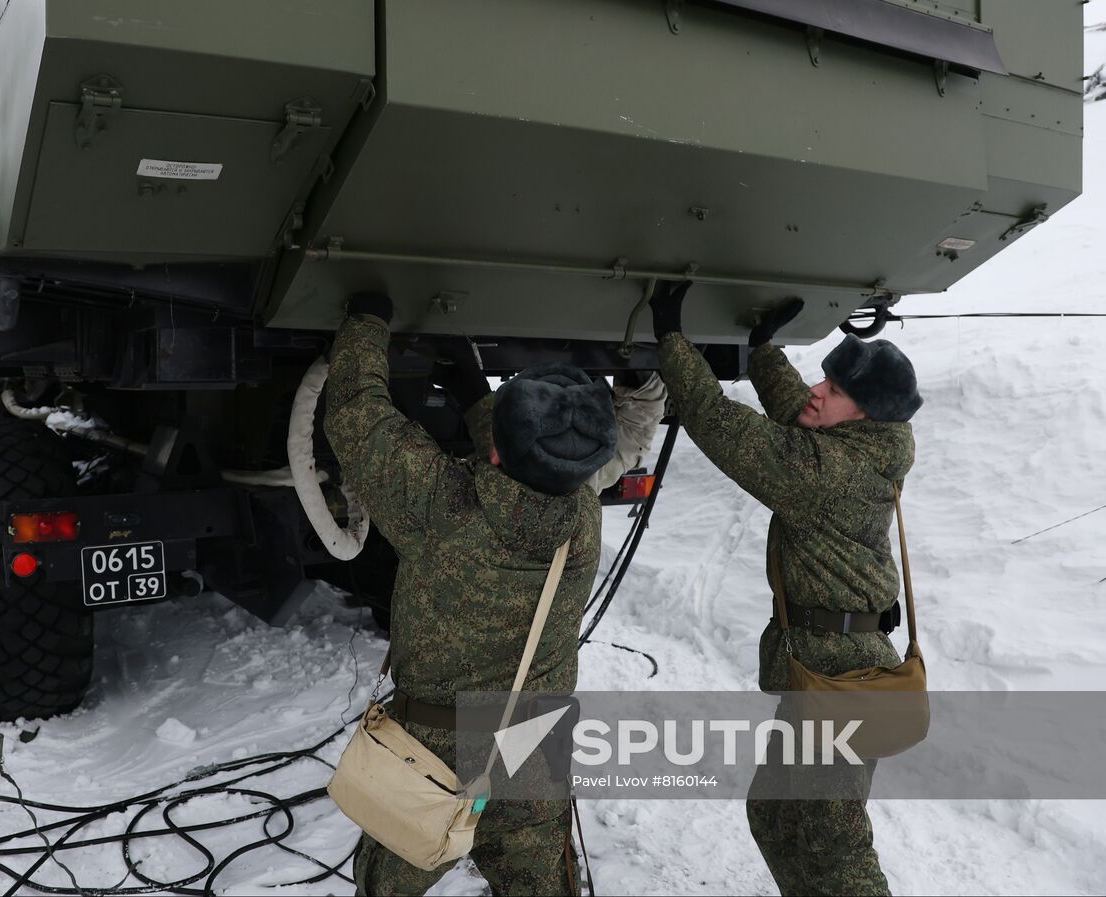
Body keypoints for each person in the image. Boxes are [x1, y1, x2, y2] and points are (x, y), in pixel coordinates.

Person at [325, 292, 627, 896]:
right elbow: (530, 462)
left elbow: (356, 411)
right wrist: (477, 396)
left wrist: (367, 317)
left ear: (494, 452)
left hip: (432, 755)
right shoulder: (583, 518)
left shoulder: (442, 505)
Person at [649, 281, 922, 896]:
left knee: (837, 851)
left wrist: (671, 338)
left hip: (842, 684)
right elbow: (800, 410)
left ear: (866, 412)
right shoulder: (861, 443)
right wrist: (762, 349)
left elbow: (723, 426)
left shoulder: (829, 471)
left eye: (836, 389)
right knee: (775, 814)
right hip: (824, 671)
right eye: (826, 379)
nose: (819, 390)